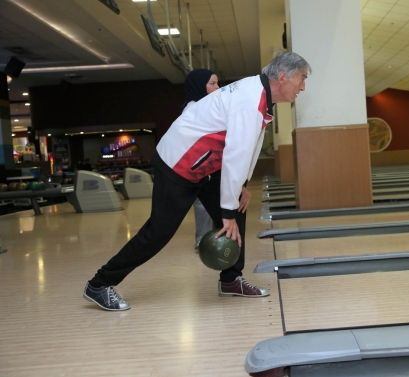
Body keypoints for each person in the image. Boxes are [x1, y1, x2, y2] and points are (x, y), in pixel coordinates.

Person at [83, 51, 311, 311]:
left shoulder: (258, 94)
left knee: (237, 206)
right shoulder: (250, 100)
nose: (303, 86)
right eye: (301, 79)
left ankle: (230, 279)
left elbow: (247, 147)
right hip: (179, 163)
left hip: (205, 164)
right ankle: (99, 284)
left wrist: (240, 187)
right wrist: (226, 212)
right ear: (282, 77)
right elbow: (237, 153)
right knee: (159, 231)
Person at [181, 68, 218, 249]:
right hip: (197, 165)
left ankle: (210, 238)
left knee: (211, 202)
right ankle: (202, 240)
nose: (217, 87)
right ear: (199, 86)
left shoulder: (207, 107)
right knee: (203, 202)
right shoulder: (192, 110)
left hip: (208, 162)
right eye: (212, 84)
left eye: (217, 83)